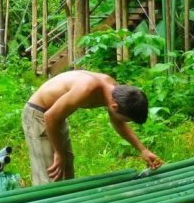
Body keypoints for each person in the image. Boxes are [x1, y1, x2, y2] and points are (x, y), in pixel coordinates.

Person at [22, 70, 162, 185]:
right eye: (127, 119)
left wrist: (142, 150)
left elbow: (118, 121)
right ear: (114, 107)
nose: (125, 122)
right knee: (51, 179)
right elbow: (50, 117)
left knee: (66, 175)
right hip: (39, 115)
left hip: (57, 116)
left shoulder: (115, 92)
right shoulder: (87, 89)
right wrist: (58, 153)